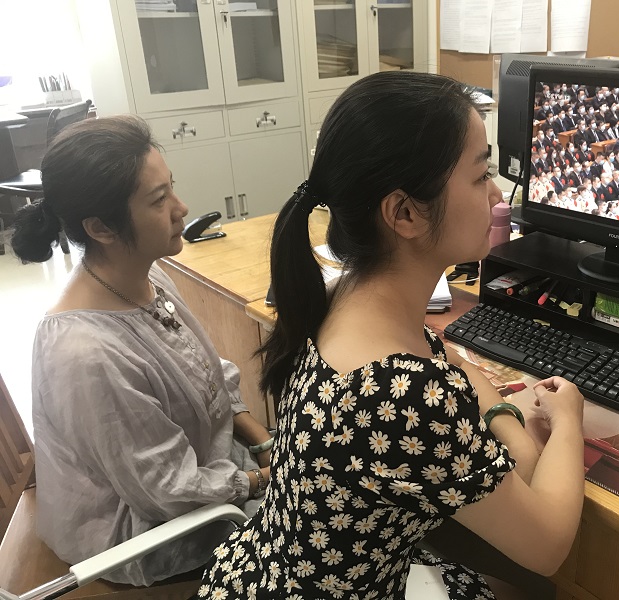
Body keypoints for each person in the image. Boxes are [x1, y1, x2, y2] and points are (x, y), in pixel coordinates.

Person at [197, 71, 586, 600]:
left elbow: (450, 364)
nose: (497, 195)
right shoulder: (402, 394)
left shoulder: (344, 297)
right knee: (537, 590)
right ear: (403, 213)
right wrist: (567, 421)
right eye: (481, 175)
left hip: (266, 569)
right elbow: (548, 545)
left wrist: (499, 415)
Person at [10, 116, 273, 586]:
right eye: (158, 200)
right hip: (150, 532)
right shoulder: (85, 354)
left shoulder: (146, 276)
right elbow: (168, 493)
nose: (181, 208)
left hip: (207, 475)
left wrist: (263, 442)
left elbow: (209, 374)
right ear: (100, 228)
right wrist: (261, 480)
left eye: (172, 188)